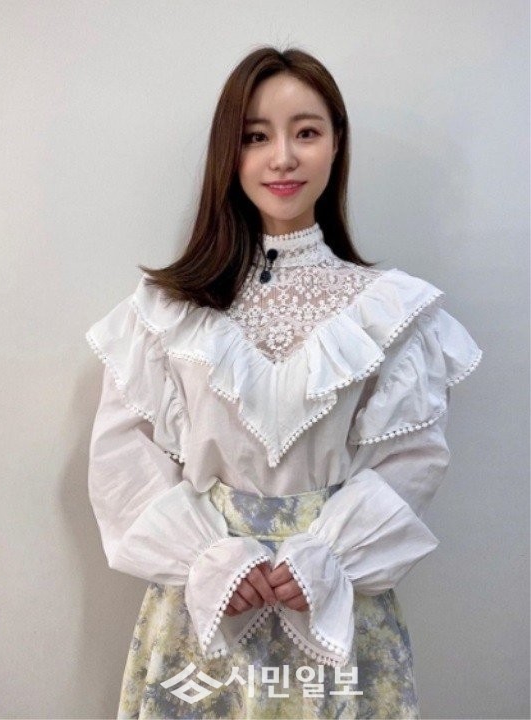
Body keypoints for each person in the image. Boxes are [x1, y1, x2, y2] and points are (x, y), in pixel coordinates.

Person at [85, 45, 483, 720]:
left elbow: (412, 460)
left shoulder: (390, 310)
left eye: (306, 132)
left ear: (336, 145)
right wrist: (208, 558)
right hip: (204, 608)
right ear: (229, 153)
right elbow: (122, 459)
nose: (283, 158)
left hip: (336, 605)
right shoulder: (164, 313)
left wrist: (329, 556)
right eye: (256, 136)